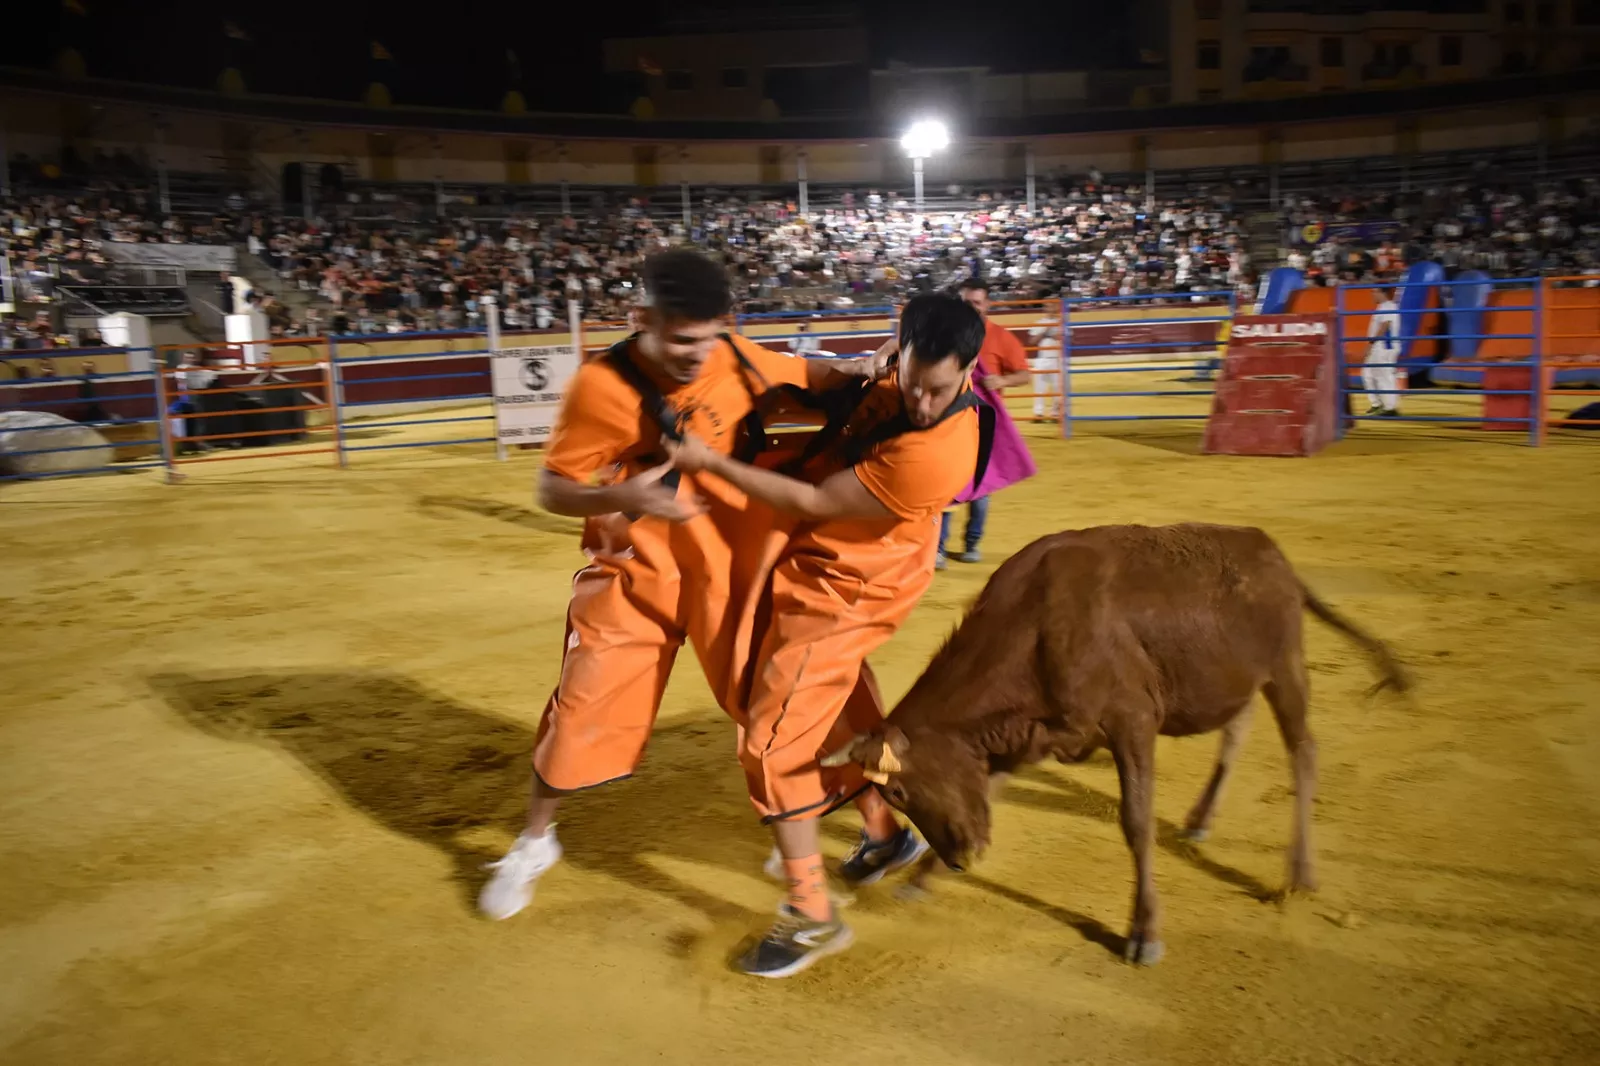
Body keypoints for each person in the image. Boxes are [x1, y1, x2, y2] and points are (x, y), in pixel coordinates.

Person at [477, 249, 896, 925]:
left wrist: (854, 369)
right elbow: (551, 487)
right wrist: (622, 492)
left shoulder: (732, 350)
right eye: (677, 340)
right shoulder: (599, 386)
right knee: (584, 699)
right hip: (636, 568)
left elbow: (808, 372)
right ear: (642, 319)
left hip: (730, 561)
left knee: (775, 698)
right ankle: (534, 841)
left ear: (724, 325)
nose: (693, 357)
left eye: (704, 340)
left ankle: (866, 826)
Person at [665, 292, 988, 978]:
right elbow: (847, 381)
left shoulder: (937, 452)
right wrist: (863, 370)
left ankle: (812, 915)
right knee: (842, 706)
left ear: (969, 370)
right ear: (899, 352)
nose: (923, 403)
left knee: (773, 743)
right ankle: (882, 832)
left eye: (939, 390)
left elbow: (813, 501)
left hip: (845, 591)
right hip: (827, 570)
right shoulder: (896, 373)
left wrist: (708, 462)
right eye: (913, 382)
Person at [937, 278, 1029, 567]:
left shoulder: (1001, 337)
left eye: (976, 303)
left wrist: (1000, 380)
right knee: (945, 485)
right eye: (966, 303)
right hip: (948, 422)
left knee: (981, 487)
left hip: (984, 425)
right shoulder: (946, 336)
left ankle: (971, 543)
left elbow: (1024, 375)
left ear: (987, 305)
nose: (971, 308)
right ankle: (938, 547)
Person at [1362, 287, 1402, 417]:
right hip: (1379, 346)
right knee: (1367, 374)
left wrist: (1370, 344)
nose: (1372, 294)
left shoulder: (1389, 306)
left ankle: (1390, 407)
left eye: (1374, 291)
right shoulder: (1382, 307)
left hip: (1385, 346)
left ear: (1382, 292)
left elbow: (1385, 326)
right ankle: (1377, 404)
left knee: (1384, 376)